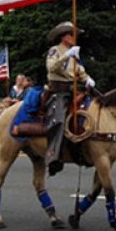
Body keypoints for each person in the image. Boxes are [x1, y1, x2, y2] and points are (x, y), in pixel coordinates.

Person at [45, 21, 96, 175]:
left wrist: (87, 78)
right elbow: (52, 67)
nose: (75, 38)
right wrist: (66, 56)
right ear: (65, 37)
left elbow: (79, 71)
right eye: (72, 35)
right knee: (59, 120)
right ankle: (53, 157)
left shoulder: (74, 53)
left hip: (74, 90)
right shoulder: (55, 51)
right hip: (58, 91)